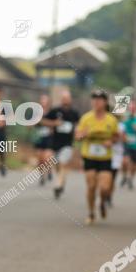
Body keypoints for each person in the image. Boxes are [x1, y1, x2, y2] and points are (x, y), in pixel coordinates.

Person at [75, 89, 119, 224]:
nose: (96, 102)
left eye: (99, 99)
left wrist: (110, 142)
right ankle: (91, 212)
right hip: (89, 156)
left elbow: (116, 136)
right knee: (91, 186)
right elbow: (77, 136)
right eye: (94, 99)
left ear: (105, 102)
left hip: (105, 157)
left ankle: (102, 202)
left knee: (105, 188)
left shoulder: (111, 120)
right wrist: (83, 135)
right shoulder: (86, 118)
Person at [42, 90, 80, 199]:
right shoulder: (55, 111)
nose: (65, 101)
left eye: (67, 98)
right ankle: (61, 180)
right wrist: (54, 123)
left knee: (63, 163)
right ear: (61, 100)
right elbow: (43, 121)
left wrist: (77, 131)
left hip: (67, 143)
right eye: (64, 99)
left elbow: (79, 125)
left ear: (70, 100)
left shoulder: (74, 113)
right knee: (55, 163)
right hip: (55, 142)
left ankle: (58, 185)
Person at [33, 94, 54, 186]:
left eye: (45, 101)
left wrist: (47, 124)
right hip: (39, 137)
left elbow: (55, 124)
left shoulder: (52, 112)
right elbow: (31, 124)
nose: (43, 102)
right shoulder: (36, 112)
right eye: (42, 100)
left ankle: (49, 170)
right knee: (39, 158)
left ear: (48, 102)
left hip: (49, 137)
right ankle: (42, 175)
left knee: (47, 157)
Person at [106, 119, 125, 208]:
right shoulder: (104, 122)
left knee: (112, 178)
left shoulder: (121, 126)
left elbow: (125, 139)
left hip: (116, 155)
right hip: (103, 154)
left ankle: (109, 197)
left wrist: (120, 136)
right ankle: (104, 194)